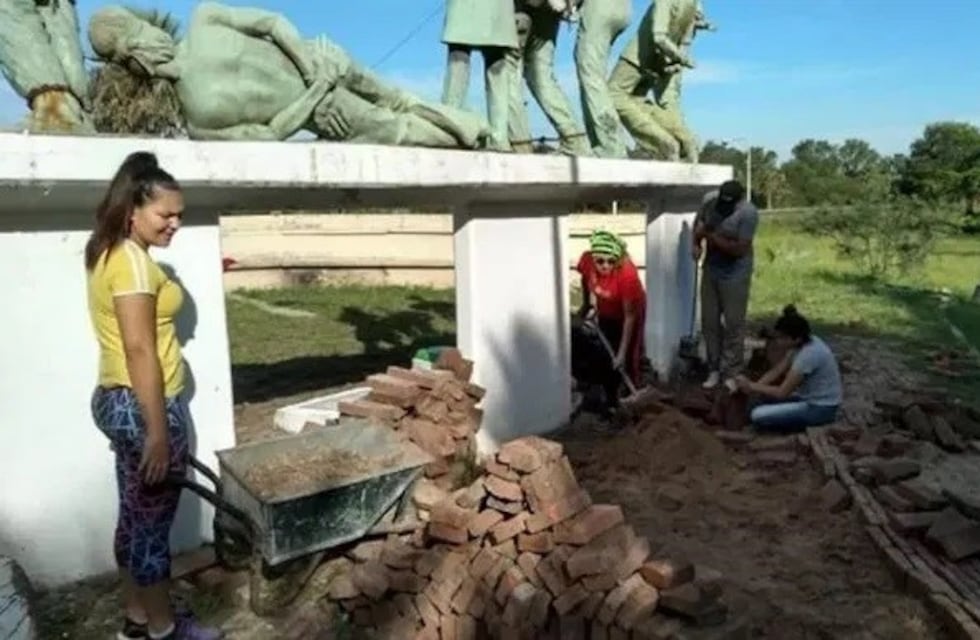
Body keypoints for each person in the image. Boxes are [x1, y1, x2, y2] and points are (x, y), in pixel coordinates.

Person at [85, 152, 221, 640]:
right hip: (145, 408)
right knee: (151, 528)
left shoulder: (107, 253)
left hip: (116, 400)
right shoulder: (133, 263)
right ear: (133, 211)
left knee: (133, 515)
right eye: (166, 214)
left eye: (179, 214)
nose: (176, 223)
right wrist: (158, 434)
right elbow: (140, 348)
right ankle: (166, 630)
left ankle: (137, 619)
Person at [693, 179, 759, 389]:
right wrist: (695, 244)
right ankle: (713, 368)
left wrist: (711, 236)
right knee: (709, 321)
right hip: (712, 268)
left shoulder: (748, 213)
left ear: (739, 201)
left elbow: (739, 249)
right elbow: (697, 226)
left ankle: (732, 371)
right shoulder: (710, 203)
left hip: (736, 272)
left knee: (733, 323)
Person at [572, 229, 647, 412]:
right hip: (606, 309)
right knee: (606, 354)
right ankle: (610, 398)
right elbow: (584, 277)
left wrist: (621, 353)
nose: (605, 265)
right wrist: (586, 303)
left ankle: (630, 395)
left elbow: (629, 317)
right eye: (600, 261)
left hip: (630, 312)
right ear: (594, 257)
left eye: (611, 261)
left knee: (627, 356)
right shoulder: (587, 260)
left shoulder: (627, 275)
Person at [735, 305, 842, 432]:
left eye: (782, 338)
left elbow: (782, 392)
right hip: (807, 398)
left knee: (758, 415)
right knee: (759, 401)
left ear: (796, 338)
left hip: (821, 408)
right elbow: (777, 370)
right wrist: (755, 387)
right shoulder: (801, 343)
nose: (778, 341)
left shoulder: (808, 355)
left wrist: (752, 386)